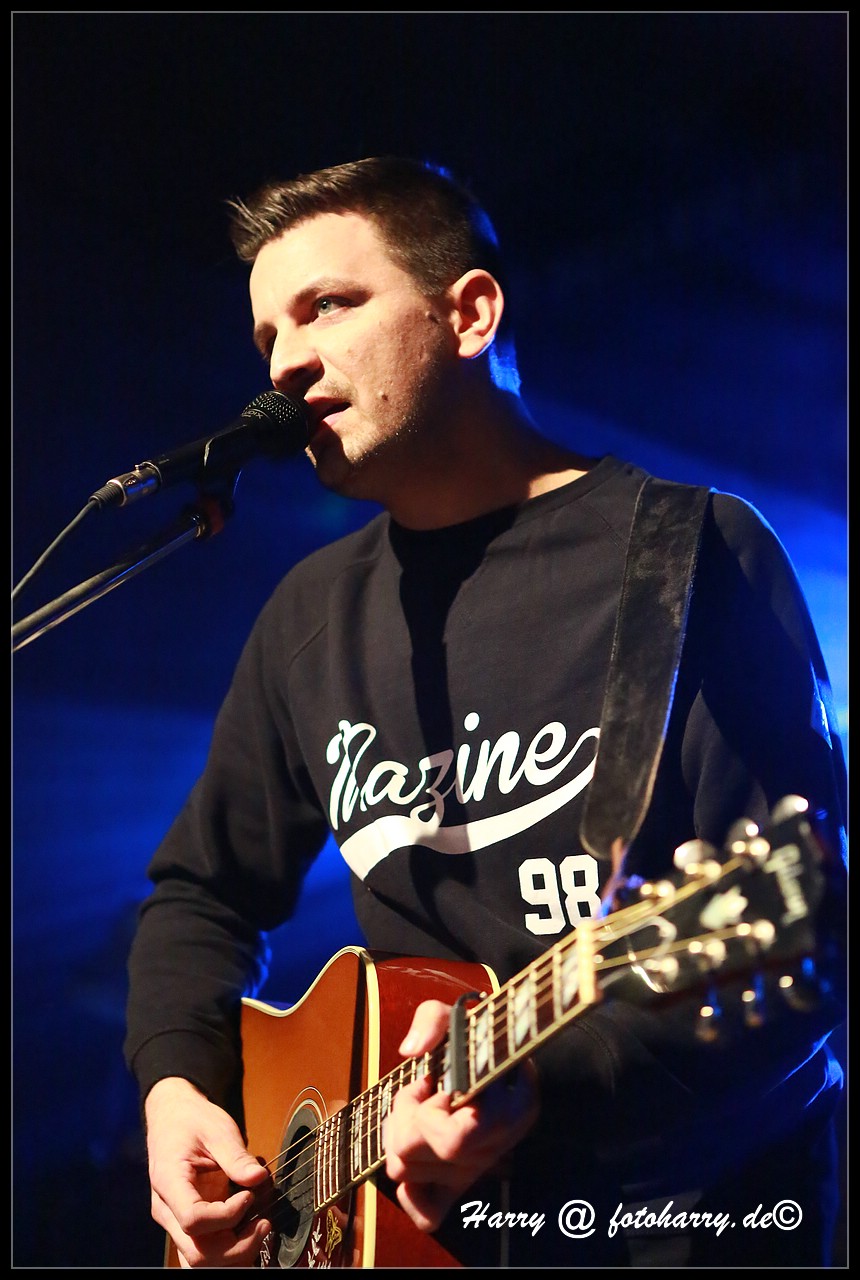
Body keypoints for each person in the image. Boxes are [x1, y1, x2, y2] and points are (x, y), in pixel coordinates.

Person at [123, 155, 847, 1268]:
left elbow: (804, 938)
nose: (285, 362)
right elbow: (201, 894)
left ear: (469, 314)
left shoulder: (689, 552)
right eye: (267, 334)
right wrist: (176, 1086)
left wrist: (540, 1079)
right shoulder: (311, 615)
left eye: (328, 305)